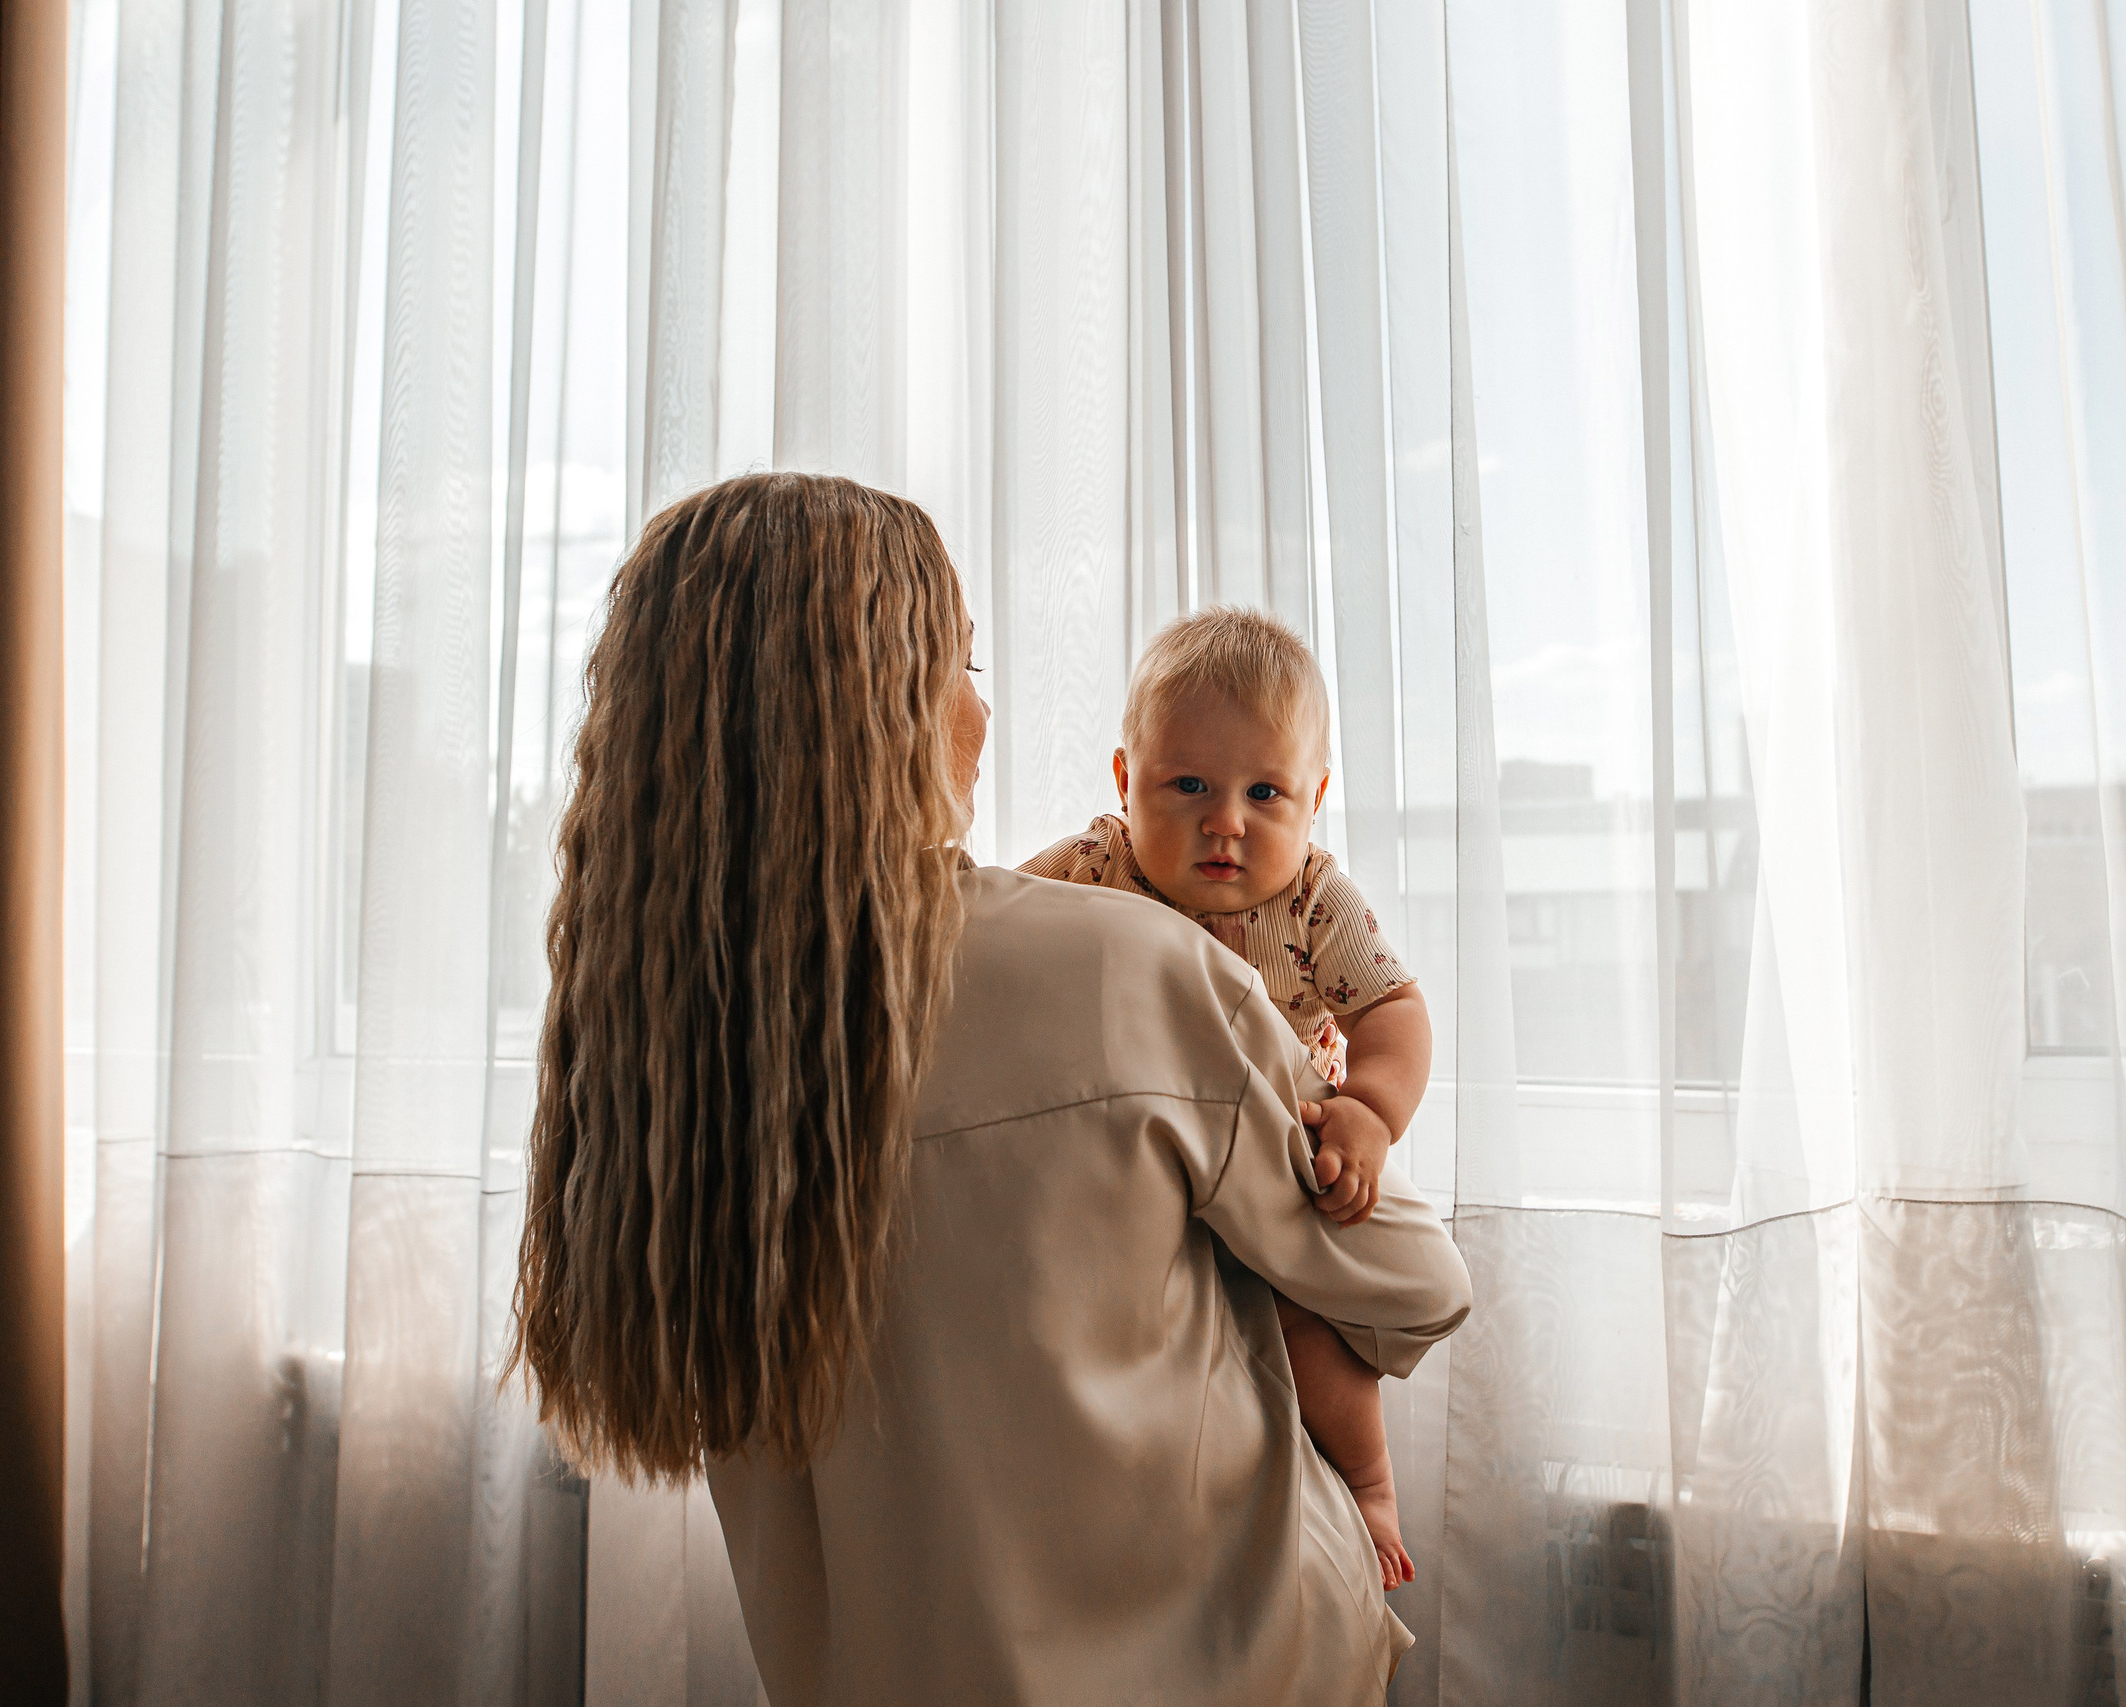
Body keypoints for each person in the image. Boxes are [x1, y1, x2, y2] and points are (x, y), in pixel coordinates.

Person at [509, 472, 1471, 1706]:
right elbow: (1412, 1284)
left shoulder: (665, 1046)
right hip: (1221, 1665)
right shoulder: (1123, 966)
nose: (981, 712)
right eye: (965, 667)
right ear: (890, 708)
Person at [1016, 607, 1431, 1588]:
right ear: (1126, 781)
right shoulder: (1095, 867)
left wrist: (1369, 1108)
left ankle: (1368, 1484)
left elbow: (1394, 1009)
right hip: (1134, 1153)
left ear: (1314, 798)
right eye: (1189, 784)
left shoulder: (1314, 902)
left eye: (1264, 792)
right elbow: (991, 933)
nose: (1226, 821)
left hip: (1269, 1158)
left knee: (1304, 1332)